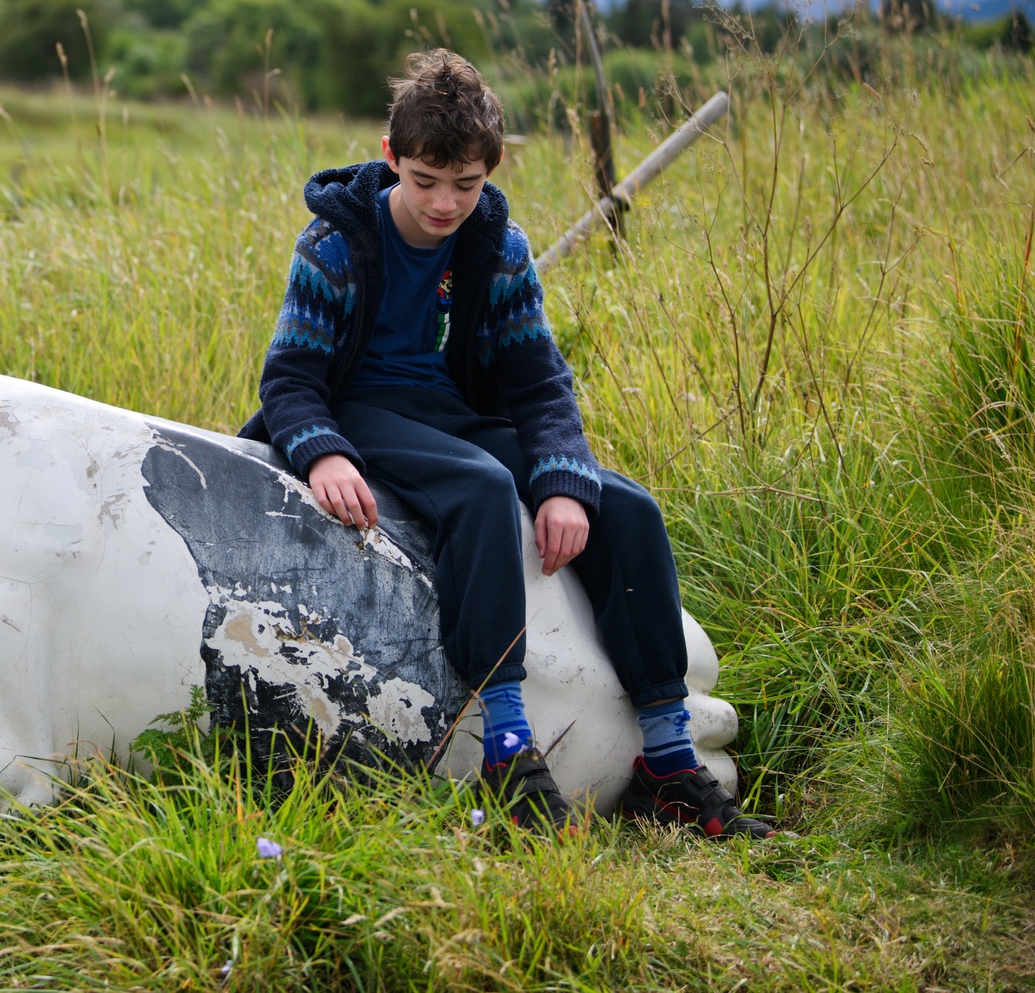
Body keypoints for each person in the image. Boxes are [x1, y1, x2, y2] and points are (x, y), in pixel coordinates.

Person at [239, 48, 770, 838]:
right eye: (425, 180)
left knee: (625, 506)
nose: (444, 202)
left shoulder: (499, 248)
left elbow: (539, 381)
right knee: (483, 486)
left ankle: (666, 759)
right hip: (357, 410)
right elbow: (288, 378)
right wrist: (323, 451)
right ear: (391, 157)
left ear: (492, 168)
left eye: (466, 183)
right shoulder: (336, 242)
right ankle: (509, 751)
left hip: (450, 412)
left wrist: (562, 481)